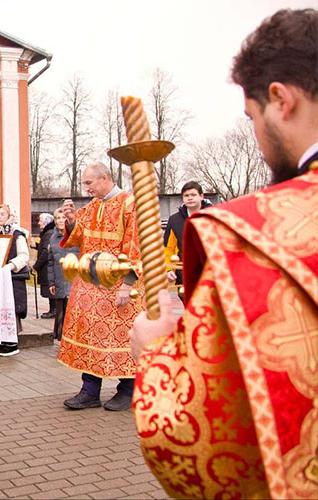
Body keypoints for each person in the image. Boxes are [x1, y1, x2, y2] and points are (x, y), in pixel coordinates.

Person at [130, 9, 318, 499]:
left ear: (281, 100)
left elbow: (196, 448)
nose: (257, 142)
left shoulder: (247, 238)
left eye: (252, 118)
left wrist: (153, 353)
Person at [58, 162, 144, 411]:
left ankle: (127, 390)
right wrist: (72, 221)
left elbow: (135, 246)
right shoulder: (91, 206)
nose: (86, 189)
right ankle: (90, 390)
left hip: (118, 282)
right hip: (90, 284)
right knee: (89, 335)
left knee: (122, 339)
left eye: (89, 183)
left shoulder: (130, 205)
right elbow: (76, 237)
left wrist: (127, 285)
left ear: (104, 178)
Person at [0, 204, 30, 357]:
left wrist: (10, 266)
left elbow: (24, 256)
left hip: (10, 277)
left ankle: (11, 342)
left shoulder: (17, 234)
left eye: (2, 214)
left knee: (9, 306)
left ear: (9, 216)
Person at [163, 181, 212, 284]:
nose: (190, 198)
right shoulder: (174, 220)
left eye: (193, 195)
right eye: (186, 195)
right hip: (184, 275)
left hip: (211, 273)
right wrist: (169, 269)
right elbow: (168, 248)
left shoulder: (213, 216)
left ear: (201, 196)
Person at [47, 207, 78, 342]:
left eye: (63, 218)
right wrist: (51, 282)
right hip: (59, 280)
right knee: (62, 312)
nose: (60, 221)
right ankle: (62, 340)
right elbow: (50, 263)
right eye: (57, 218)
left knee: (74, 312)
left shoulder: (76, 235)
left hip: (74, 280)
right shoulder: (53, 238)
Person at [33, 212, 55, 319]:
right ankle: (52, 309)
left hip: (47, 267)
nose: (39, 223)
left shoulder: (48, 233)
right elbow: (44, 248)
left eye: (41, 221)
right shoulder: (48, 233)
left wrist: (36, 265)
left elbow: (46, 252)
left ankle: (53, 310)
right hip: (46, 267)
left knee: (50, 288)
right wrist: (36, 246)